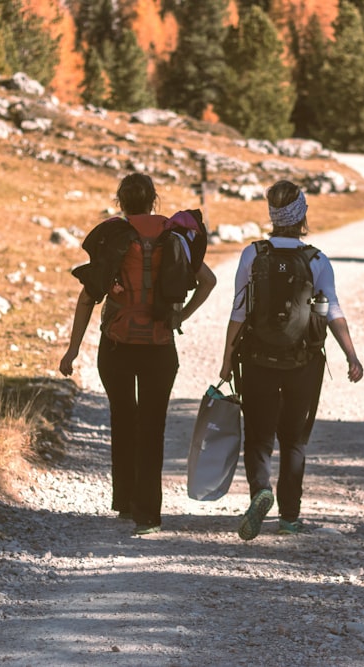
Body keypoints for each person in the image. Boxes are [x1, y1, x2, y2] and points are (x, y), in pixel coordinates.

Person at [59, 173, 216, 535]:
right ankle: (149, 515)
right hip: (160, 346)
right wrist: (181, 316)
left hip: (117, 346)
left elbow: (87, 297)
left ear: (121, 201)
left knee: (123, 419)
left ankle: (126, 503)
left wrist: (72, 350)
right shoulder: (173, 235)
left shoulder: (113, 237)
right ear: (153, 200)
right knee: (152, 425)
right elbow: (209, 281)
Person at [219, 180, 363, 540]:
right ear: (302, 217)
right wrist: (351, 355)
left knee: (258, 436)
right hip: (304, 362)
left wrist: (226, 361)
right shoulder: (316, 260)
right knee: (294, 439)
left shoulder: (253, 255)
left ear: (272, 215)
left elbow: (239, 310)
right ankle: (289, 517)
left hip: (256, 358)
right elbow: (330, 311)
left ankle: (260, 493)